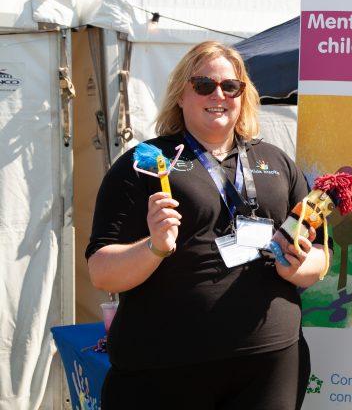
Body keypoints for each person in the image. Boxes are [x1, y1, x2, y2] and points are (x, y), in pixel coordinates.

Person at [86, 41, 329, 409]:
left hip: (269, 363)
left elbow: (323, 255)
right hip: (164, 369)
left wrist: (298, 265)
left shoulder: (276, 160)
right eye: (203, 85)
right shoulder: (145, 163)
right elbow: (101, 273)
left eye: (230, 87)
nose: (219, 95)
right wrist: (153, 247)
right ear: (181, 95)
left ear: (243, 96)